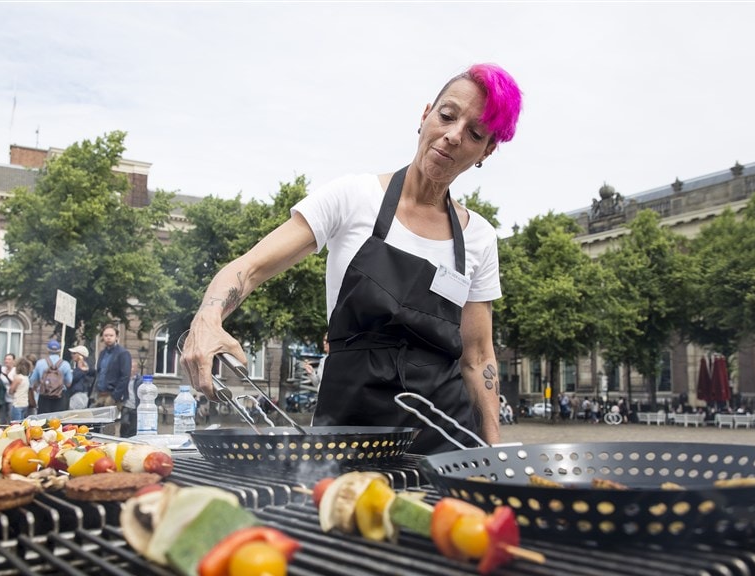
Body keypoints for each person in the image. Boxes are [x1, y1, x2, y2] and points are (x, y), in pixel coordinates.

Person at [181, 63, 521, 454]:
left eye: (475, 133)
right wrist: (207, 318)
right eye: (446, 116)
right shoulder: (352, 197)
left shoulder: (478, 237)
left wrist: (496, 459)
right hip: (347, 435)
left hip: (446, 443)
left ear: (486, 150)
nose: (452, 135)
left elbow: (479, 359)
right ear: (425, 114)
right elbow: (249, 267)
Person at [93, 325, 131, 413]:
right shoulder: (102, 353)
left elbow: (125, 376)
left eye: (111, 335)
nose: (108, 338)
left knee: (111, 425)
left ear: (116, 337)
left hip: (113, 395)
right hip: (100, 394)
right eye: (106, 335)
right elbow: (100, 372)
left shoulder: (123, 353)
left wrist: (115, 396)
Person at [28, 340, 73, 415]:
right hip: (60, 397)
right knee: (59, 421)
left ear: (48, 350)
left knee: (43, 421)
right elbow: (69, 382)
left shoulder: (40, 363)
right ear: (59, 351)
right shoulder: (65, 364)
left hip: (44, 396)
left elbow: (32, 381)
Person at [68, 345, 95, 410]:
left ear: (81, 355)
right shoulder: (77, 365)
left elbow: (73, 378)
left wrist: (79, 369)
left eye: (74, 353)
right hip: (78, 394)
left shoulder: (83, 366)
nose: (72, 355)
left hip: (79, 394)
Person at [9, 357, 32, 422]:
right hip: (25, 404)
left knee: (16, 425)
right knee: (22, 424)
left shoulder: (18, 378)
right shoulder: (26, 378)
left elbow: (11, 391)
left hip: (17, 404)